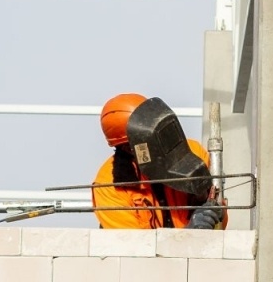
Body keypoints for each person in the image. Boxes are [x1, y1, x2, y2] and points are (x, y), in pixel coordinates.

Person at [94, 93, 223, 230]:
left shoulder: (194, 154)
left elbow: (220, 223)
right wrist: (187, 235)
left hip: (202, 248)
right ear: (128, 147)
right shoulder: (109, 186)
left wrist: (213, 211)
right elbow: (131, 247)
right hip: (149, 251)